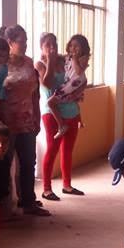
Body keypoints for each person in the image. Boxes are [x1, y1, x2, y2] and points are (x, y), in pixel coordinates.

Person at [0, 25, 49, 216]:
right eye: (21, 41)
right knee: (4, 164)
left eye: (27, 41)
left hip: (27, 121)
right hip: (6, 124)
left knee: (29, 162)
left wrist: (36, 118)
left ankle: (28, 201)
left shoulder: (29, 63)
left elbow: (35, 94)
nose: (25, 45)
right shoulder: (1, 64)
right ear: (10, 43)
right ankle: (4, 206)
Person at [38, 33, 86, 201]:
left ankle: (67, 185)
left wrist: (79, 94)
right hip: (51, 113)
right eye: (47, 45)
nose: (52, 47)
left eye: (54, 43)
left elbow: (79, 78)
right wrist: (50, 61)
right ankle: (46, 189)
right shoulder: (40, 64)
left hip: (71, 110)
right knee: (52, 149)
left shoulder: (65, 59)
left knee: (68, 150)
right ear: (41, 48)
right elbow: (48, 83)